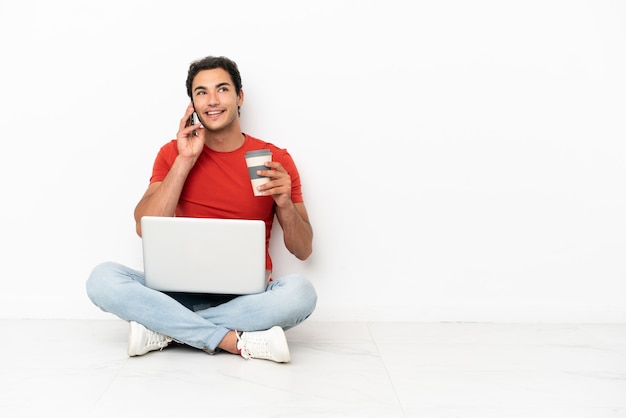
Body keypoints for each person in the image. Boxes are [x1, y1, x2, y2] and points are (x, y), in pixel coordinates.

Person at [86, 56, 317, 363]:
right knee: (102, 279)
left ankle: (167, 329)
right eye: (201, 92)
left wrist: (285, 204)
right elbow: (144, 226)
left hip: (247, 295)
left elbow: (303, 250)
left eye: (222, 89)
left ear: (239, 97)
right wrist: (184, 161)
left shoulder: (273, 159)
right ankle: (231, 340)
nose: (212, 101)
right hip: (176, 290)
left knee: (301, 293)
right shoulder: (173, 153)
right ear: (192, 103)